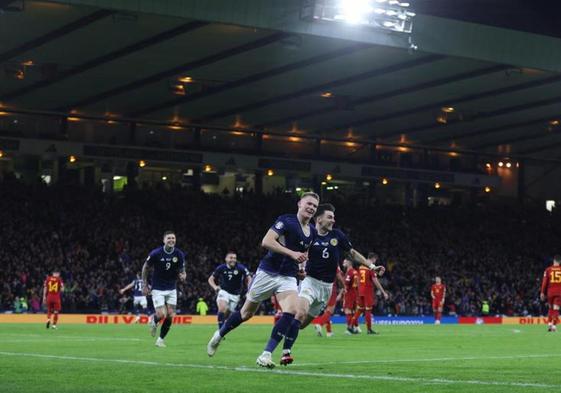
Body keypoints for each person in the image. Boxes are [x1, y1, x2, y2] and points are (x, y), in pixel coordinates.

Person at [207, 192, 319, 368]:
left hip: (288, 277)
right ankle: (218, 336)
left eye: (314, 206)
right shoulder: (286, 220)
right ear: (299, 204)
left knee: (292, 311)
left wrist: (301, 269)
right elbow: (266, 241)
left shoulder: (312, 231)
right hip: (267, 272)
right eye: (309, 204)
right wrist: (292, 254)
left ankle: (266, 354)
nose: (311, 208)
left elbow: (305, 253)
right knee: (246, 314)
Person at [279, 203, 383, 365]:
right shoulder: (309, 235)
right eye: (329, 217)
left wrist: (371, 266)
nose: (333, 220)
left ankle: (285, 328)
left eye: (333, 217)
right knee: (300, 313)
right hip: (309, 282)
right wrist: (299, 268)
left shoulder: (337, 235)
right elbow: (297, 252)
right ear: (318, 219)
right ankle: (286, 352)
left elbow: (353, 253)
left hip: (327, 287)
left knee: (301, 324)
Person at [142, 230, 186, 347]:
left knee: (171, 315)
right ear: (164, 240)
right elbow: (145, 267)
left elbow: (182, 270)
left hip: (171, 288)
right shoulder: (156, 253)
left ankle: (160, 340)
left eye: (173, 238)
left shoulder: (179, 254)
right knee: (161, 314)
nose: (171, 240)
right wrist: (144, 284)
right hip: (158, 287)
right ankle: (154, 321)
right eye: (169, 238)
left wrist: (183, 275)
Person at [208, 251, 252, 330]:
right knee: (222, 308)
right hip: (224, 291)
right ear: (226, 259)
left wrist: (249, 289)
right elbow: (210, 279)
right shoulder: (221, 268)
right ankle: (220, 331)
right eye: (231, 258)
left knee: (227, 313)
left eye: (235, 258)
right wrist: (215, 287)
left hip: (235, 295)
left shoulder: (240, 268)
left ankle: (222, 325)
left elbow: (249, 277)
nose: (233, 260)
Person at [351, 252, 388, 334]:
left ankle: (350, 326)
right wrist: (383, 292)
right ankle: (369, 329)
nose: (375, 261)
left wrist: (379, 273)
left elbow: (362, 278)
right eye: (375, 260)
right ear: (373, 258)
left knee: (360, 309)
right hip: (368, 291)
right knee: (368, 310)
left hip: (360, 291)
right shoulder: (371, 268)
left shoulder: (361, 267)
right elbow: (375, 281)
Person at [313, 268, 345, 337]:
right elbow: (339, 278)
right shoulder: (334, 265)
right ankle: (320, 324)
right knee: (330, 310)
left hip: (321, 288)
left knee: (326, 311)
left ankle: (329, 331)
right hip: (331, 288)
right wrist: (343, 289)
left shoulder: (323, 264)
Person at [540, 254, 561, 332]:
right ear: (560, 262)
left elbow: (544, 282)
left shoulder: (548, 270)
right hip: (559, 292)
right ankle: (554, 326)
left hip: (550, 292)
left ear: (554, 261)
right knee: (556, 309)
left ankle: (549, 324)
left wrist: (542, 292)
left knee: (550, 308)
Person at [342, 258, 360, 334]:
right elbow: (357, 284)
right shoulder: (355, 272)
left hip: (349, 294)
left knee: (348, 311)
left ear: (349, 263)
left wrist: (342, 296)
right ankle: (356, 328)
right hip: (355, 293)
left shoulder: (350, 272)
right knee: (353, 312)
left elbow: (346, 285)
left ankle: (349, 329)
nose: (343, 262)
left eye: (345, 261)